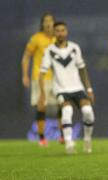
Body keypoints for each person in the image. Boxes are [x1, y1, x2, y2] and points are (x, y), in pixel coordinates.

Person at [39, 22, 95, 154]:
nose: (60, 33)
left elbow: (82, 69)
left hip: (77, 88)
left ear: (66, 32)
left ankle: (87, 139)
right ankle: (69, 143)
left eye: (62, 30)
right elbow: (41, 73)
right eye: (57, 30)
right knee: (67, 110)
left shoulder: (75, 48)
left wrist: (89, 89)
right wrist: (42, 94)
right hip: (61, 89)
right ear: (54, 33)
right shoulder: (49, 50)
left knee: (88, 111)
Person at [21, 13, 64, 147]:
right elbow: (27, 57)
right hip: (40, 77)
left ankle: (63, 136)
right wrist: (25, 75)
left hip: (58, 78)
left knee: (62, 105)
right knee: (41, 106)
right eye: (45, 21)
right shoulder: (36, 38)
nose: (48, 23)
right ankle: (41, 137)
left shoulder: (59, 39)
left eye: (50, 21)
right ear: (42, 24)